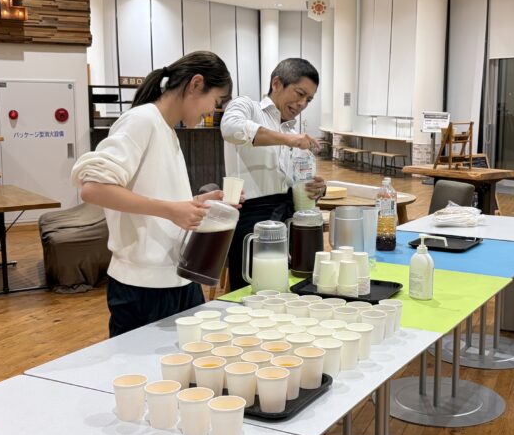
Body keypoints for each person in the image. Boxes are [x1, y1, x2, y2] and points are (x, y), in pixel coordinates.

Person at [72, 51, 234, 337]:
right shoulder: (142, 120)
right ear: (196, 84)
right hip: (143, 286)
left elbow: (152, 195)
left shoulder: (166, 129)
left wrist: (195, 204)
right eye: (216, 101)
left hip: (177, 277)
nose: (212, 111)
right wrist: (171, 210)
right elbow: (93, 188)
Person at [220, 57, 326, 290]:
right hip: (251, 218)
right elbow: (230, 128)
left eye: (308, 100)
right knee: (253, 291)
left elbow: (294, 181)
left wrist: (315, 189)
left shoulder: (292, 132)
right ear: (276, 84)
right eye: (299, 93)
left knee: (291, 288)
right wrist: (288, 139)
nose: (302, 104)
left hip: (289, 218)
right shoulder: (247, 107)